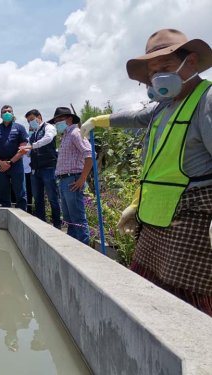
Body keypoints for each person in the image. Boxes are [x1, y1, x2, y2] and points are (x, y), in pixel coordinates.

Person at [80, 29, 212, 315]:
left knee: (187, 307)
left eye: (164, 68)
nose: (156, 78)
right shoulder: (162, 108)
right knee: (148, 294)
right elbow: (135, 118)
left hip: (191, 222)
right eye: (152, 73)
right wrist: (97, 120)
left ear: (190, 62)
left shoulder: (206, 101)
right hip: (154, 219)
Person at [51, 107, 92, 245]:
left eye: (59, 120)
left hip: (72, 179)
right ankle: (73, 246)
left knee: (77, 217)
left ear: (69, 118)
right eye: (56, 121)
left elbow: (90, 155)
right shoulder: (66, 135)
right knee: (69, 217)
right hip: (64, 179)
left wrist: (82, 178)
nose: (57, 123)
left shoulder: (75, 133)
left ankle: (84, 249)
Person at [20, 109, 61, 227]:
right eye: (28, 121)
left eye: (32, 119)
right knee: (37, 198)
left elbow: (48, 138)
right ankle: (41, 224)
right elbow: (30, 149)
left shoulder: (49, 127)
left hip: (48, 168)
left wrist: (33, 146)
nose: (31, 123)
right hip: (35, 170)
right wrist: (26, 151)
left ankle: (57, 225)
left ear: (39, 117)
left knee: (53, 198)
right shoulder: (34, 133)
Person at [0, 105, 28, 211]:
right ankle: (4, 219)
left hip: (16, 164)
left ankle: (22, 217)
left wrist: (10, 162)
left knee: (20, 193)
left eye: (9, 111)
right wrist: (1, 163)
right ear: (1, 115)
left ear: (13, 114)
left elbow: (23, 149)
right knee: (2, 193)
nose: (7, 113)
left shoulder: (20, 128)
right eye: (4, 111)